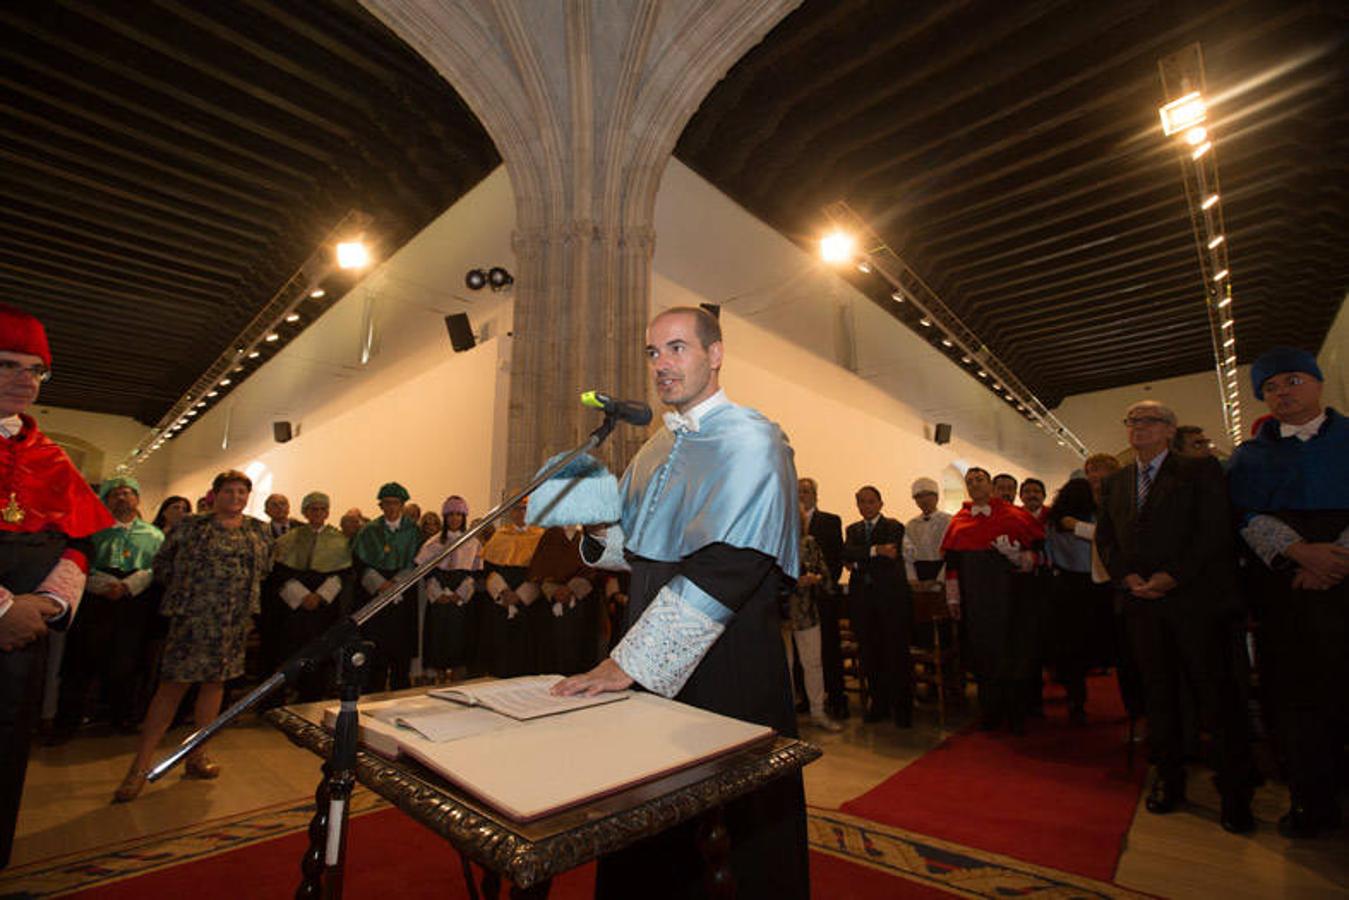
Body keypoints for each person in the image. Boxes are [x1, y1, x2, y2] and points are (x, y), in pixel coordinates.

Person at [554, 306, 807, 899]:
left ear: (715, 354)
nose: (661, 365)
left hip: (727, 664)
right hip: (653, 657)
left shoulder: (753, 438)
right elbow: (643, 550)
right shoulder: (655, 448)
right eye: (652, 353)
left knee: (727, 829)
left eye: (676, 349)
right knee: (651, 825)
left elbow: (734, 563)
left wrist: (630, 662)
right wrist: (594, 527)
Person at [1094, 400, 1254, 834]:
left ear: (1169, 429)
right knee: (1159, 694)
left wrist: (1172, 576)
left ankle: (1234, 791)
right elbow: (1107, 537)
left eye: (1149, 421)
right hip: (1142, 603)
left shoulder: (1199, 470)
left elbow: (1213, 531)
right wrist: (1126, 576)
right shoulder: (1117, 482)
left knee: (1215, 695)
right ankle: (1168, 779)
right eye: (1132, 421)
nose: (1139, 428)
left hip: (1195, 602)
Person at [0, 305, 113, 867]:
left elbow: (80, 543)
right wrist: (2, 608)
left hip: (26, 637)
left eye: (36, 370)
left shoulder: (52, 458)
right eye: (9, 365)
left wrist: (43, 604)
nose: (24, 379)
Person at [1227, 347, 1348, 837]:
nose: (1283, 393)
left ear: (1317, 384)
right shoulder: (1251, 455)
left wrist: (1335, 559)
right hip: (1285, 589)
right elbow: (1242, 515)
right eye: (1271, 387)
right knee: (1295, 699)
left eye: (1292, 381)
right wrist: (1298, 552)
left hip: (1343, 582)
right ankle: (1309, 802)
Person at [116, 469, 272, 802]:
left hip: (232, 623)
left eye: (242, 492)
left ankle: (197, 754)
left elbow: (265, 569)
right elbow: (164, 565)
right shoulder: (191, 526)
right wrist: (194, 595)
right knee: (171, 688)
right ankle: (140, 766)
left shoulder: (258, 530)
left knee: (214, 687)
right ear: (215, 495)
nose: (235, 498)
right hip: (192, 621)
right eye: (228, 491)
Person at [51, 475, 164, 740]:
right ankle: (66, 724)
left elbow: (158, 566)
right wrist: (101, 584)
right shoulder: (91, 529)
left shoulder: (154, 534)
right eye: (116, 494)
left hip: (133, 603)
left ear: (137, 499)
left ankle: (122, 717)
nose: (123, 498)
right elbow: (75, 562)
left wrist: (128, 585)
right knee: (80, 662)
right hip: (93, 602)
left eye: (128, 493)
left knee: (126, 662)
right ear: (106, 499)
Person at [941, 467, 1044, 733]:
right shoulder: (958, 521)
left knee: (1013, 655)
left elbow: (1039, 557)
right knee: (983, 655)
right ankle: (990, 712)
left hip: (1013, 601)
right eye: (970, 481)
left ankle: (1016, 713)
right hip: (977, 604)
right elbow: (952, 567)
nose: (975, 485)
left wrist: (1018, 558)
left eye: (980, 480)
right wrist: (953, 600)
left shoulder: (1016, 516)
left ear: (990, 485)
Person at [269, 492, 352, 701]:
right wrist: (302, 596)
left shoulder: (339, 540)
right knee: (291, 651)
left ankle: (313, 696)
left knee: (320, 653)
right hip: (296, 607)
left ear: (328, 512)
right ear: (305, 512)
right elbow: (280, 573)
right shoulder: (289, 539)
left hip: (324, 607)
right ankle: (284, 695)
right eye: (312, 509)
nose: (317, 513)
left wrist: (321, 596)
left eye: (321, 509)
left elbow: (343, 574)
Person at [844, 485, 913, 727]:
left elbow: (890, 556)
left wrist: (861, 561)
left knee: (895, 655)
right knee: (870, 655)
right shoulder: (852, 529)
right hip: (863, 602)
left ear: (880, 503)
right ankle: (879, 704)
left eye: (871, 501)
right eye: (861, 502)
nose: (866, 506)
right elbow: (847, 554)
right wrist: (875, 552)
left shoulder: (893, 526)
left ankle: (902, 708)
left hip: (890, 602)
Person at [351, 483, 422, 691]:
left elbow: (417, 561)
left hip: (403, 597)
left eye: (395, 503)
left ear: (402, 505)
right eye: (387, 503)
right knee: (376, 653)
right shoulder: (368, 531)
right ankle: (373, 695)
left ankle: (400, 693)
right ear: (381, 505)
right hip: (376, 596)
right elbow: (360, 562)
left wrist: (397, 584)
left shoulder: (413, 531)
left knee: (401, 653)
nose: (391, 508)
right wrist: (380, 584)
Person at [1044, 478, 1098, 724]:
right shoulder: (1092, 517)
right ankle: (1078, 699)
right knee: (1087, 645)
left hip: (1062, 585)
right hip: (1092, 585)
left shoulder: (1054, 521)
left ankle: (1076, 698)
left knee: (1070, 647)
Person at [786, 505, 843, 732]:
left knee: (813, 664)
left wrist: (816, 578)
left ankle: (818, 712)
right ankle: (787, 715)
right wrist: (794, 582)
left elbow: (825, 573)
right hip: (781, 614)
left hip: (807, 611)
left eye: (799, 520)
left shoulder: (809, 542)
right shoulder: (774, 544)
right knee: (785, 667)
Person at [415, 496, 482, 681]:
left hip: (461, 599)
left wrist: (461, 593)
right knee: (438, 640)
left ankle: (458, 679)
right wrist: (438, 593)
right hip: (439, 598)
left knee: (459, 640)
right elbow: (425, 571)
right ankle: (438, 679)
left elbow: (475, 572)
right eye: (451, 515)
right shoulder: (433, 542)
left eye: (459, 515)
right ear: (445, 517)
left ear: (464, 517)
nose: (455, 519)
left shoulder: (473, 542)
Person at [797, 477, 847, 719]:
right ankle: (807, 699)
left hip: (822, 596)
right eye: (798, 492)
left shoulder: (829, 521)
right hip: (797, 602)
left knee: (829, 651)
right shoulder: (789, 524)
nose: (802, 495)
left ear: (816, 495)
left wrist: (820, 582)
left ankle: (837, 699)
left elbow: (836, 559)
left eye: (806, 491)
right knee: (802, 656)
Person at [478, 500, 544, 677]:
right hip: (502, 600)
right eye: (516, 509)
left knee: (526, 644)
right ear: (510, 512)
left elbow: (542, 569)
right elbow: (489, 569)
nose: (520, 513)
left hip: (528, 600)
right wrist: (503, 592)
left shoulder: (540, 536)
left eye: (525, 509)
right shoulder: (500, 535)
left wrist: (522, 595)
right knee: (501, 644)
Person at [903, 477, 951, 582]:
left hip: (944, 572)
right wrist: (913, 580)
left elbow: (951, 554)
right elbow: (907, 556)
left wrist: (940, 580)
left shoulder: (949, 521)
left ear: (936, 497)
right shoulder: (911, 525)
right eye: (919, 497)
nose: (924, 500)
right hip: (919, 573)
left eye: (928, 495)